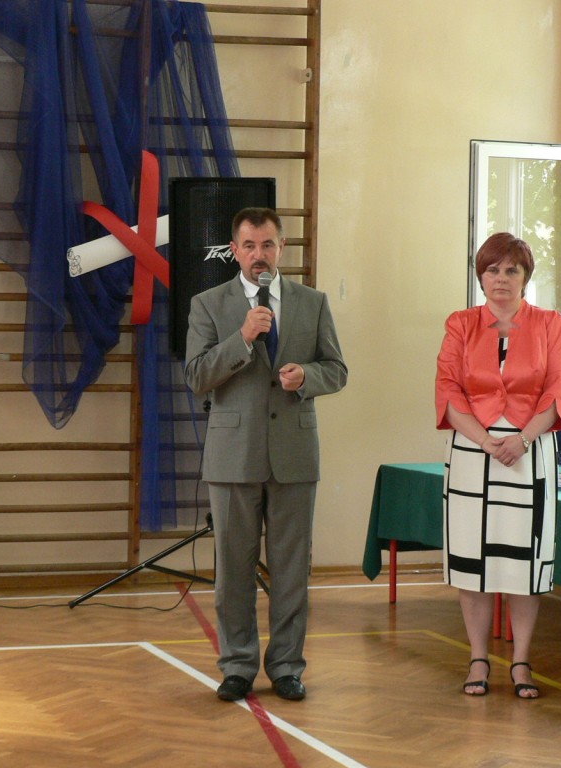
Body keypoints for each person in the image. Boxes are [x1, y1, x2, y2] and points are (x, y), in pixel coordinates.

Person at [184, 207, 348, 703]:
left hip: (294, 454)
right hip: (233, 456)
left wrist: (307, 378)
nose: (260, 255)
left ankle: (286, 667)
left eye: (269, 245)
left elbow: (336, 369)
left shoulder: (312, 303)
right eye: (250, 246)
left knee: (292, 570)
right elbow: (196, 376)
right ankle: (237, 666)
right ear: (235, 251)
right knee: (233, 572)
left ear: (282, 248)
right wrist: (243, 338)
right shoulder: (208, 304)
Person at [434, 232, 561, 699]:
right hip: (473, 453)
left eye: (512, 270)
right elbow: (448, 390)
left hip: (529, 453)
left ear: (525, 277)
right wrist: (486, 441)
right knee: (472, 559)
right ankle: (477, 657)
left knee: (523, 563)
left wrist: (523, 438)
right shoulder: (461, 324)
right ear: (481, 276)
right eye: (492, 269)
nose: (501, 278)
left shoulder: (550, 324)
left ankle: (521, 661)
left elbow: (558, 390)